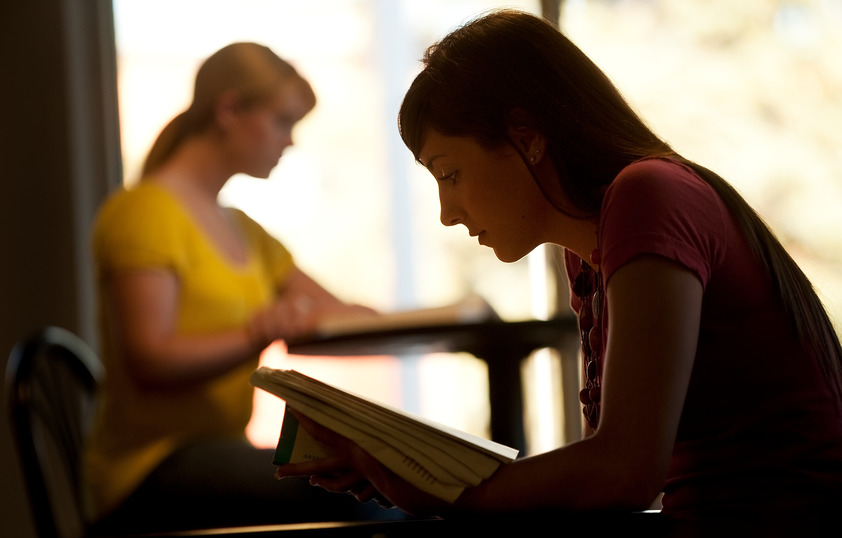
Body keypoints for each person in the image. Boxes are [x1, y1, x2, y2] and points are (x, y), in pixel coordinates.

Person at [273, 9, 842, 535]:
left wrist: (442, 492)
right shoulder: (592, 244)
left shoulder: (649, 195)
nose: (447, 213)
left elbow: (624, 472)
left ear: (527, 137)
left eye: (449, 174)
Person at [82, 42, 400, 534]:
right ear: (229, 109)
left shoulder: (244, 230)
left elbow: (342, 318)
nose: (289, 141)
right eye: (281, 121)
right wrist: (257, 332)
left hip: (216, 455)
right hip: (146, 474)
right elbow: (150, 360)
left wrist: (415, 318)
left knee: (378, 479)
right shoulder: (143, 213)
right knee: (360, 495)